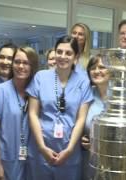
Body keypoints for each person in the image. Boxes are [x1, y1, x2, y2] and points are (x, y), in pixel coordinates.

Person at [27, 35, 93, 180]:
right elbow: (32, 114)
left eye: (68, 53)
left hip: (69, 150)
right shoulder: (41, 77)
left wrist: (69, 150)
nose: (63, 56)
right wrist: (42, 147)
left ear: (76, 56)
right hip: (41, 148)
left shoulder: (83, 82)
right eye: (59, 51)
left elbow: (81, 119)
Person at [0, 46, 39, 180]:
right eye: (17, 62)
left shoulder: (36, 92)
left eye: (26, 63)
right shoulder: (1, 91)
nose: (20, 66)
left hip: (29, 160)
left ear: (32, 66)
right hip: (5, 160)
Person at [80, 54, 109, 180]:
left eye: (102, 67)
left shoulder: (121, 96)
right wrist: (82, 140)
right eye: (93, 68)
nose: (97, 71)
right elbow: (79, 123)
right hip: (90, 161)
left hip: (115, 159)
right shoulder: (86, 95)